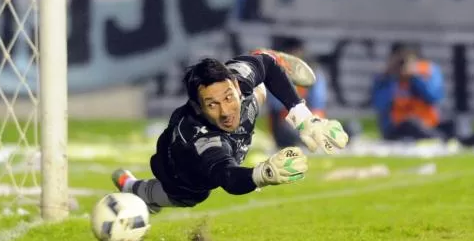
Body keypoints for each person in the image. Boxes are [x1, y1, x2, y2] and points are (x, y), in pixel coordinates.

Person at [111, 50, 349, 213]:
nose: (225, 111)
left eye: (228, 97)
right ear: (197, 106)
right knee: (191, 195)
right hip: (181, 167)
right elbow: (227, 177)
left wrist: (305, 120)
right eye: (212, 104)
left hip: (230, 133)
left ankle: (255, 55)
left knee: (257, 88)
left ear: (235, 84)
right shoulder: (200, 141)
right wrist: (263, 174)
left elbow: (266, 65)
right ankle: (132, 187)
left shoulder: (238, 80)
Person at [371, 43, 474, 146]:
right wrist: (391, 79)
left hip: (429, 123)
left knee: (458, 120)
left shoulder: (426, 72)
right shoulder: (385, 78)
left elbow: (434, 97)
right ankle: (447, 139)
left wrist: (415, 79)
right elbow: (380, 105)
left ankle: (464, 138)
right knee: (411, 124)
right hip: (399, 126)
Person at [266, 38, 329, 149]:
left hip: (309, 123)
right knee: (287, 132)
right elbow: (276, 109)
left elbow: (318, 105)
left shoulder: (314, 74)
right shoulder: (276, 75)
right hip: (285, 126)